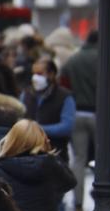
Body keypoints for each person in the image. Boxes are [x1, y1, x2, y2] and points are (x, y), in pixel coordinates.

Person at [22, 59, 76, 200]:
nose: (35, 77)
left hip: (56, 156)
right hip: (29, 157)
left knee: (56, 202)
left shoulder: (64, 96)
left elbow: (66, 127)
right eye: (34, 73)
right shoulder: (26, 94)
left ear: (51, 74)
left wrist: (37, 128)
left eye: (40, 73)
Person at [58, 31, 98, 211]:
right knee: (106, 160)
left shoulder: (72, 61)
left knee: (79, 159)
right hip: (100, 116)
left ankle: (78, 203)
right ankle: (104, 199)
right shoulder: (105, 59)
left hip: (77, 113)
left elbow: (63, 85)